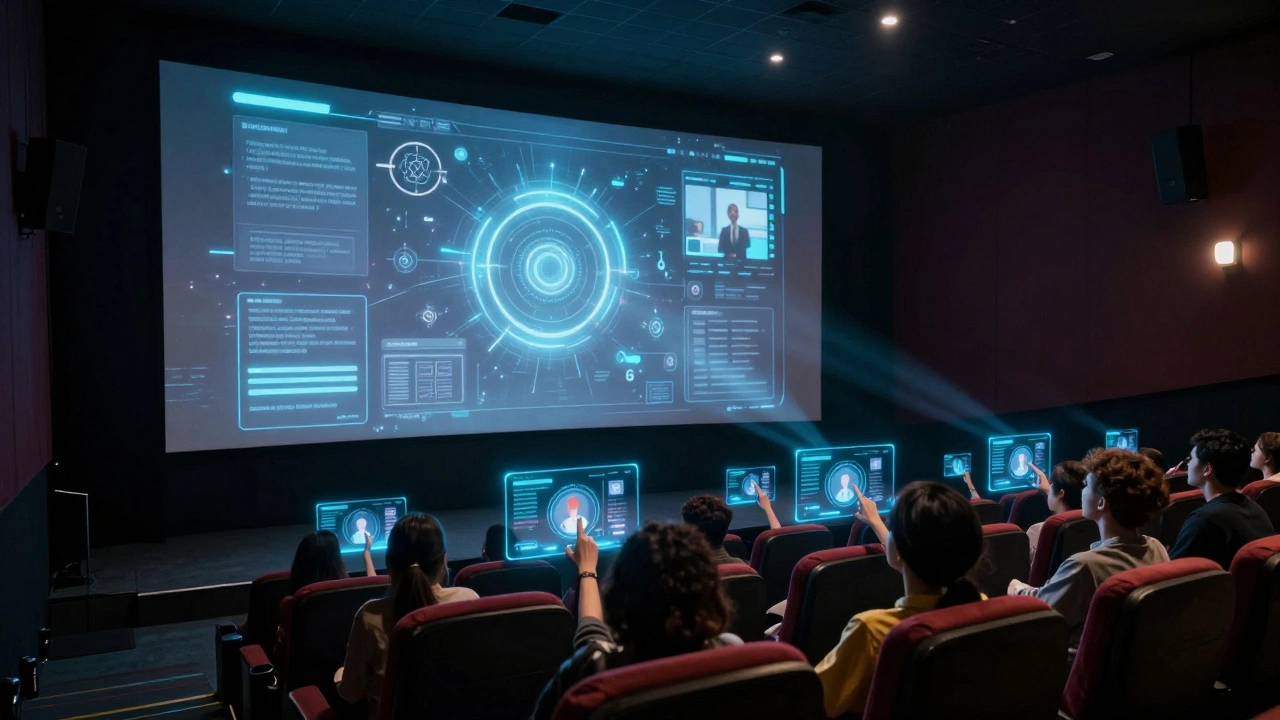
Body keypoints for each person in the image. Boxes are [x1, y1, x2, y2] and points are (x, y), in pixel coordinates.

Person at [530, 520, 741, 720]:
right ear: (712, 592)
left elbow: (590, 634)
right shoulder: (731, 652)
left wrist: (587, 570)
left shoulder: (594, 669)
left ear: (620, 596)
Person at [813, 482, 984, 718]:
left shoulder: (871, 631)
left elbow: (809, 704)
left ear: (900, 549)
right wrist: (877, 522)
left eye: (891, 528)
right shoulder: (981, 605)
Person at [1010, 449, 1169, 649]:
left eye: (1086, 485)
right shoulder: (1157, 547)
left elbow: (1040, 611)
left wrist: (1016, 589)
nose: (1082, 491)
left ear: (1102, 502)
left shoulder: (1085, 566)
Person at [337, 514, 478, 719]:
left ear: (389, 562)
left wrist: (341, 675)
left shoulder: (370, 616)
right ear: (443, 559)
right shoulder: (469, 600)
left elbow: (350, 694)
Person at [1169, 429, 1275, 569]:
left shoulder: (1205, 519)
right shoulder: (1254, 507)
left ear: (1207, 469)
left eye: (1191, 459)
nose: (1187, 464)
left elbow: (1170, 573)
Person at [681, 486, 779, 566]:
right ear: (725, 530)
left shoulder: (681, 573)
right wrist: (768, 508)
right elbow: (779, 543)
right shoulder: (746, 569)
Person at [1026, 461, 1087, 554]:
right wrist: (1049, 490)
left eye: (1052, 487)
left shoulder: (1039, 531)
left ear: (1061, 494)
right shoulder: (1093, 522)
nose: (1049, 491)